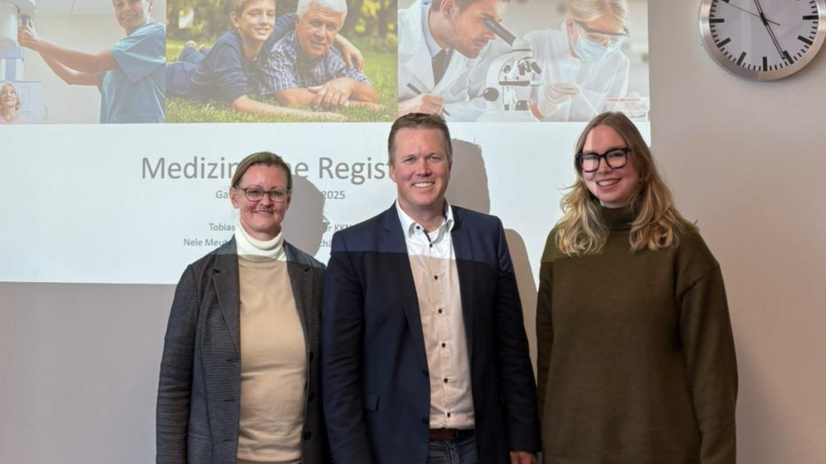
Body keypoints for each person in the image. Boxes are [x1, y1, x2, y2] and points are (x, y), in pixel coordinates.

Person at [322, 113, 541, 464]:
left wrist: (524, 438)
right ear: (392, 169)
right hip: (392, 449)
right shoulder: (354, 247)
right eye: (409, 159)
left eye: (433, 157)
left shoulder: (488, 235)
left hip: (482, 446)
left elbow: (511, 347)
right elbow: (339, 369)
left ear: (449, 165)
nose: (422, 169)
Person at [537, 112, 738, 464]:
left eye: (616, 154)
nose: (602, 167)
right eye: (590, 158)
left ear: (640, 162)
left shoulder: (681, 247)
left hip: (660, 450)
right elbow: (549, 363)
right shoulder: (562, 244)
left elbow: (713, 373)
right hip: (571, 450)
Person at [157, 152, 328, 464]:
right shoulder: (200, 277)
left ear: (288, 201)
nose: (265, 201)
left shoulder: (317, 277)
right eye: (254, 192)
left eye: (276, 193)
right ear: (234, 197)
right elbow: (173, 388)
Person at [167, 0, 361, 121]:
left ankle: (192, 50)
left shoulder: (269, 33)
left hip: (213, 65)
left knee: (207, 60)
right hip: (176, 78)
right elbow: (240, 104)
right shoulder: (227, 46)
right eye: (254, 14)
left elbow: (305, 18)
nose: (264, 21)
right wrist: (314, 116)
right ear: (236, 19)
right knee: (206, 62)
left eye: (270, 14)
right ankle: (189, 52)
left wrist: (341, 40)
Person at [18, 0, 165, 123]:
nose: (126, 8)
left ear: (150, 3)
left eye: (134, 0)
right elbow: (71, 77)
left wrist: (38, 43)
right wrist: (37, 45)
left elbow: (91, 64)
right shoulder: (120, 58)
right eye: (119, 4)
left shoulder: (155, 33)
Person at [397, 0, 511, 121]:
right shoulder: (394, 32)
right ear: (449, 7)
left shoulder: (481, 45)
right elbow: (358, 102)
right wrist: (398, 110)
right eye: (486, 20)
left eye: (496, 24)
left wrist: (439, 115)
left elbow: (493, 103)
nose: (492, 35)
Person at [524, 0, 632, 121]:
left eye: (614, 38)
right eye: (595, 37)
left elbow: (612, 125)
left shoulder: (618, 63)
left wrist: (631, 114)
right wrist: (542, 108)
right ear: (571, 25)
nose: (605, 47)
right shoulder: (536, 45)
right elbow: (509, 119)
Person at [261, 0, 379, 111]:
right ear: (297, 22)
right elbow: (291, 99)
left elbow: (371, 95)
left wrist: (350, 85)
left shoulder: (340, 53)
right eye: (315, 23)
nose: (322, 34)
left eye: (330, 27)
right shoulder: (279, 51)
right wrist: (354, 104)